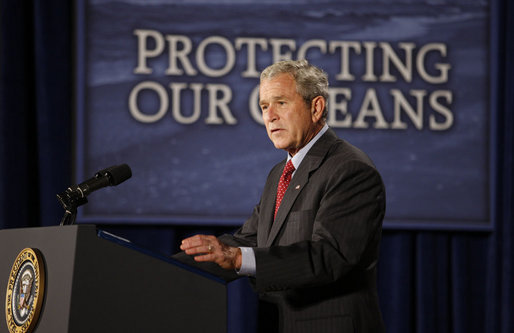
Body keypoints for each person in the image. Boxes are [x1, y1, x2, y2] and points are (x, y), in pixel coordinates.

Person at [179, 59, 386, 333]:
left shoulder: (350, 169)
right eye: (264, 106)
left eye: (281, 103)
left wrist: (239, 258)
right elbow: (249, 240)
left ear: (316, 108)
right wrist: (157, 269)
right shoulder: (281, 173)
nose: (270, 116)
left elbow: (329, 256)